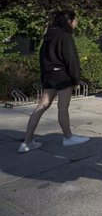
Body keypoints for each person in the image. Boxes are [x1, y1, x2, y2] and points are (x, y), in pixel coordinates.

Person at [18, 10, 90, 153]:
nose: (76, 23)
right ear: (69, 21)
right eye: (75, 20)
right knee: (63, 108)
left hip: (49, 75)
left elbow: (42, 58)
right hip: (62, 77)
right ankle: (68, 138)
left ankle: (26, 142)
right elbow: (72, 60)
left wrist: (45, 76)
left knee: (41, 106)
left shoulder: (48, 37)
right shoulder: (66, 36)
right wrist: (76, 79)